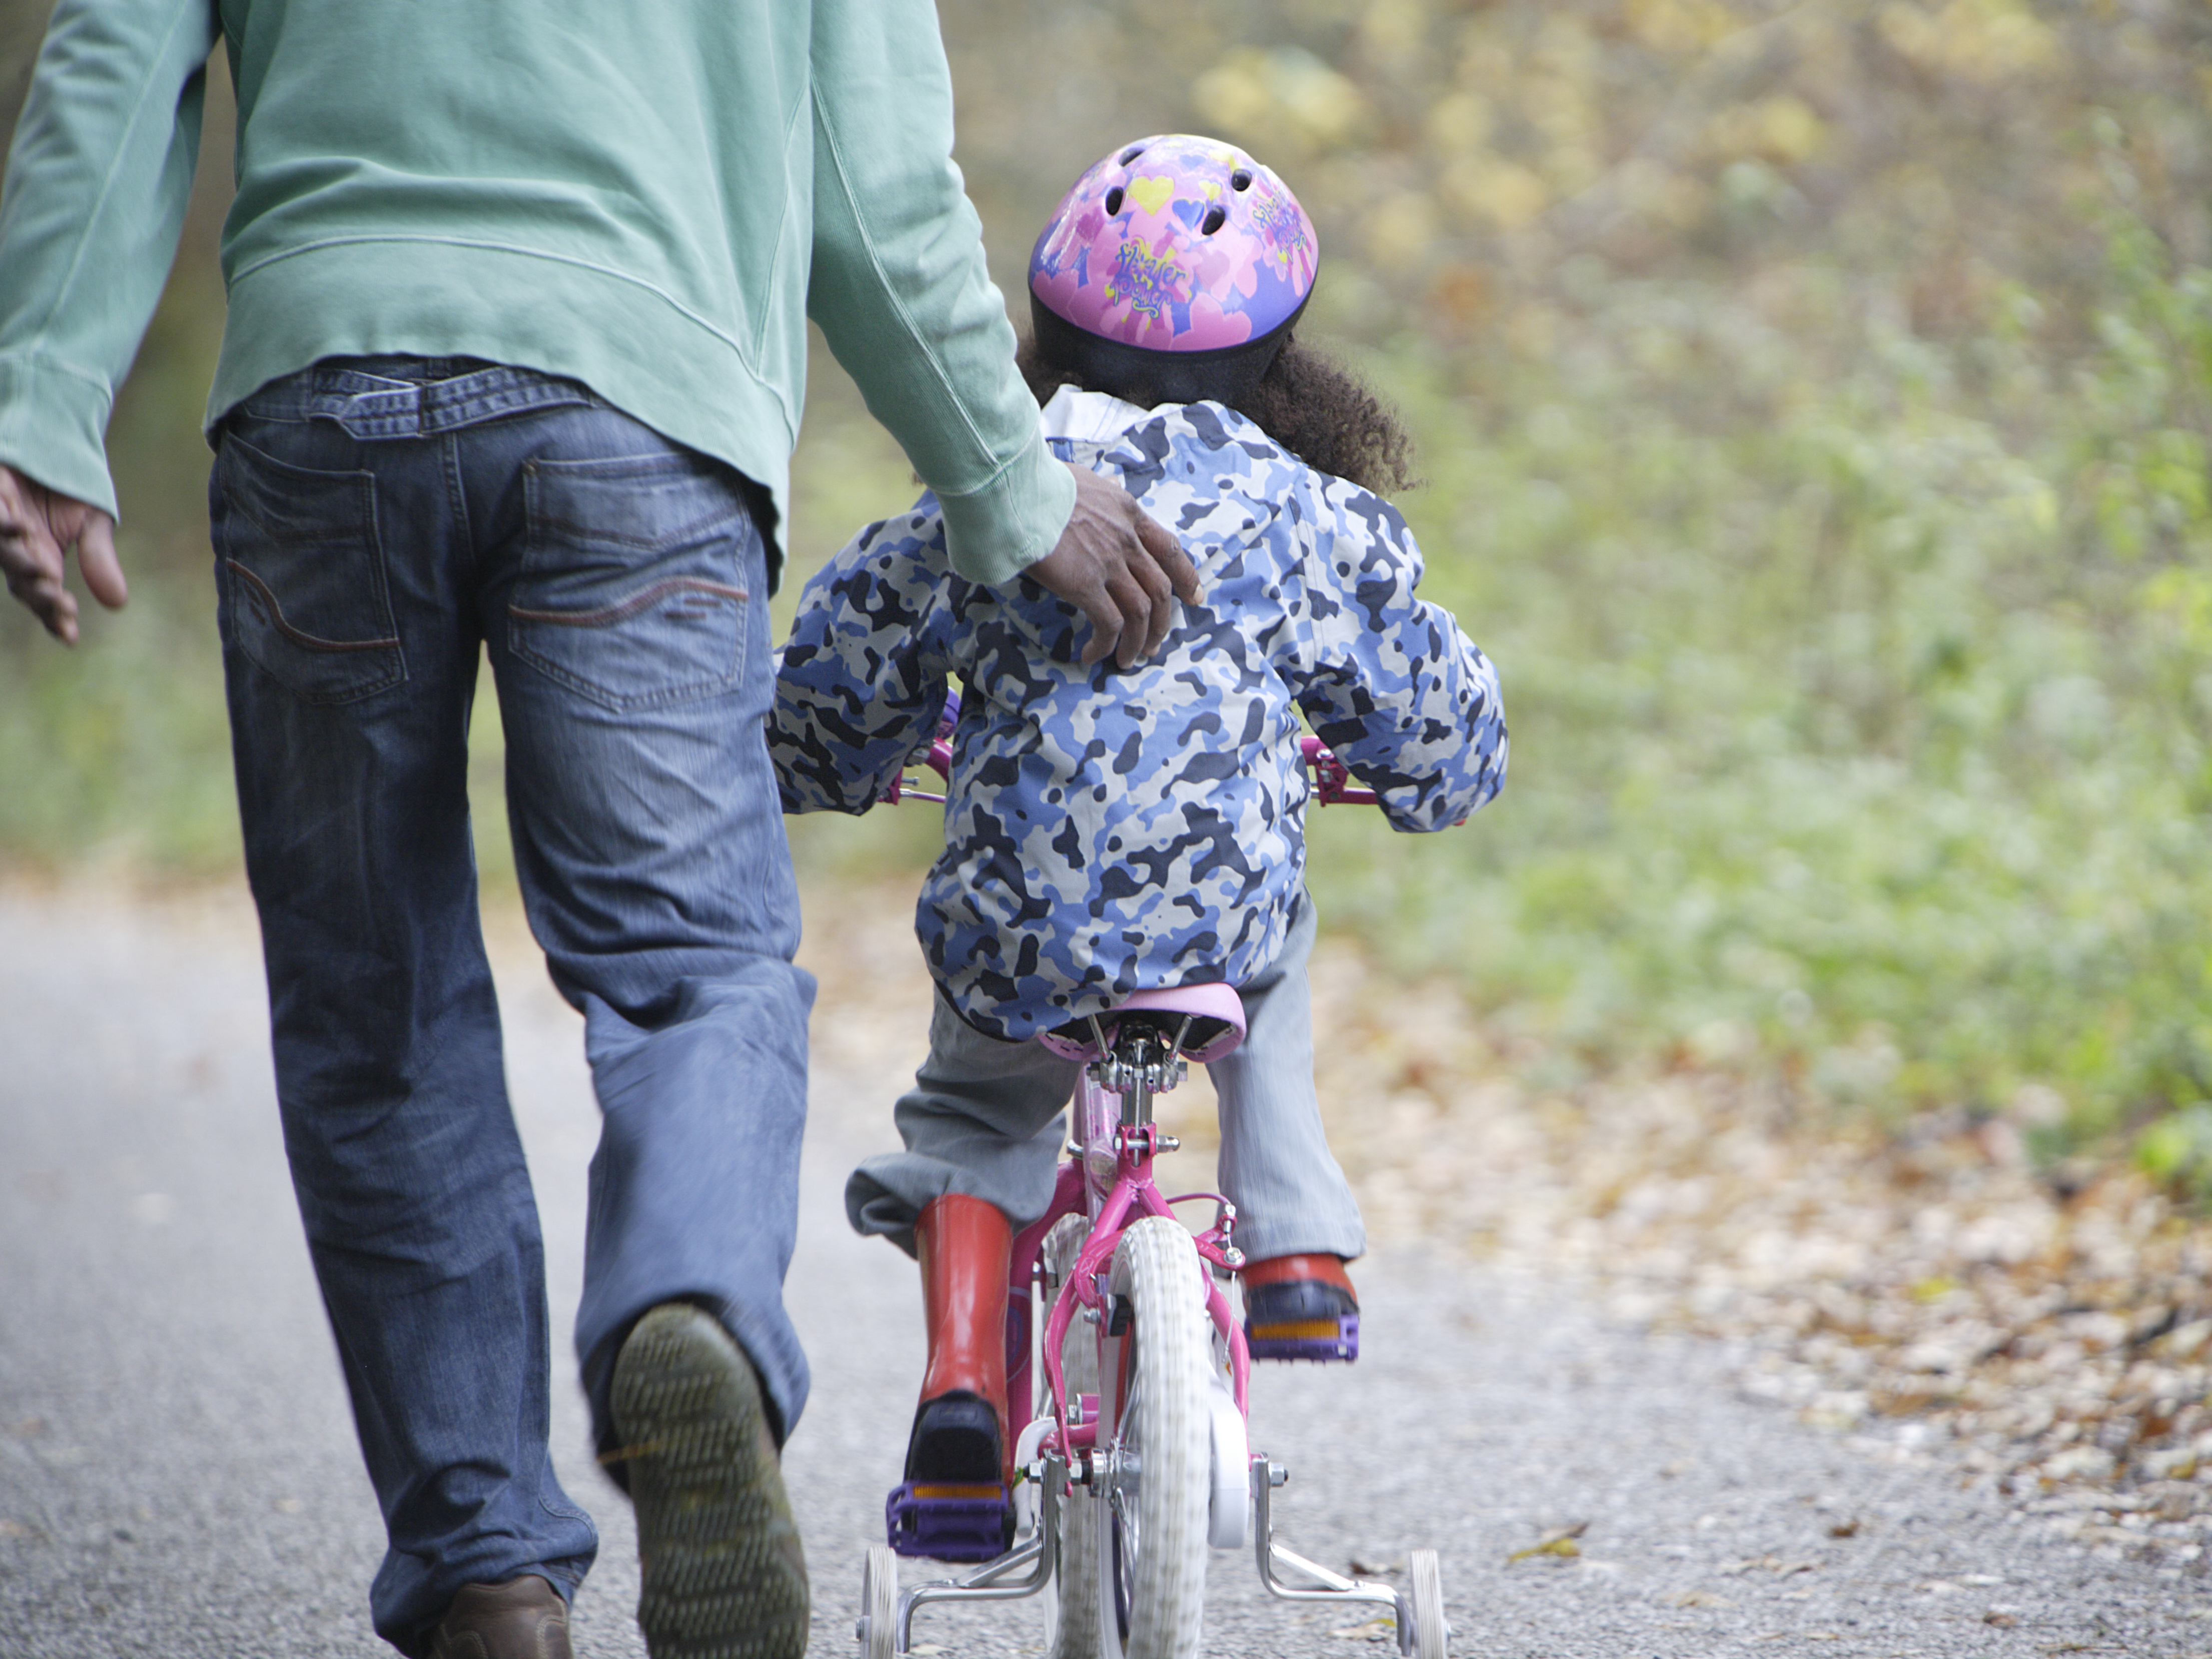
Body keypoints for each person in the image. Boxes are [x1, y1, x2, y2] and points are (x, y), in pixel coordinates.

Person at [0, 7, 1197, 1658]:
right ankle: (684, 1307)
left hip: (323, 388)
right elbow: (871, 176)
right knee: (694, 972)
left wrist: (42, 398)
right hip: (640, 406)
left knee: (375, 1007)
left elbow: (119, 48)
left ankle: (487, 1568)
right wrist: (1011, 488)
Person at [768, 134, 1507, 1539]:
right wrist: (1432, 768)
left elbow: (836, 674)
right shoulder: (1306, 514)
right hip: (1214, 927)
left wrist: (834, 760)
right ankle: (1295, 1245)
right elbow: (1437, 720)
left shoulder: (993, 499)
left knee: (975, 1109)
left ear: (1044, 334)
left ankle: (963, 1392)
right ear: (1284, 360)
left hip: (1019, 929)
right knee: (1272, 938)